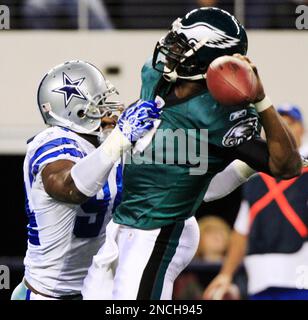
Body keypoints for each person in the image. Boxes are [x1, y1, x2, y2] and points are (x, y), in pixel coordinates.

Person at [82, 7, 302, 300]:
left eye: (182, 45)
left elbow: (288, 166)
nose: (169, 47)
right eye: (173, 37)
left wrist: (261, 100)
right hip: (126, 219)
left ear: (209, 57)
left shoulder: (223, 114)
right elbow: (163, 123)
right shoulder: (155, 72)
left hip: (161, 228)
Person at [10, 60, 162, 300]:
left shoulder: (108, 145)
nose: (110, 110)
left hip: (97, 290)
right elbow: (68, 187)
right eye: (99, 104)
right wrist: (120, 139)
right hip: (50, 294)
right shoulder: (53, 141)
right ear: (78, 112)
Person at [204, 104, 308, 300]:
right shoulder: (256, 176)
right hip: (260, 278)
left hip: (300, 276)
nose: (284, 128)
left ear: (301, 129)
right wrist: (226, 274)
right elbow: (242, 230)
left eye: (290, 123)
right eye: (279, 125)